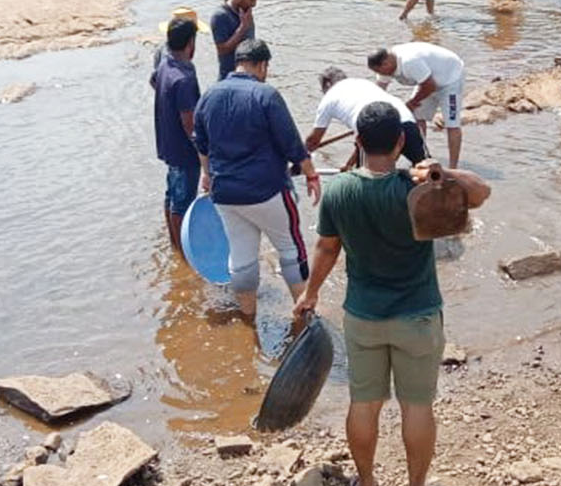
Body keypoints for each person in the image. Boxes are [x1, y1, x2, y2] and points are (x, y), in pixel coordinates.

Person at [295, 102, 491, 486]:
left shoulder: (341, 190)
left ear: (358, 141)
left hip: (363, 317)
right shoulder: (417, 190)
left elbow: (327, 248)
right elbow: (480, 192)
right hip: (417, 316)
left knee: (364, 404)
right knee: (416, 407)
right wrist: (442, 172)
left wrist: (309, 293)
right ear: (401, 141)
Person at [193, 39, 321, 322]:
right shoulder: (266, 95)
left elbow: (201, 145)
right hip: (267, 191)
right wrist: (311, 174)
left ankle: (248, 319)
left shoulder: (209, 95)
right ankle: (305, 318)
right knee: (291, 250)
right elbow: (291, 143)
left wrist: (207, 175)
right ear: (262, 65)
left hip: (225, 194)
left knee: (241, 257)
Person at [305, 67, 428, 170]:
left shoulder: (328, 98)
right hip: (405, 119)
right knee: (427, 169)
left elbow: (313, 141)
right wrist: (349, 165)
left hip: (375, 128)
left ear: (327, 85)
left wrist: (300, 156)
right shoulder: (363, 83)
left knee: (365, 179)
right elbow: (360, 140)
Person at [367, 42, 465, 169]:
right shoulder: (384, 67)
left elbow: (430, 86)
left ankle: (453, 167)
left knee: (452, 124)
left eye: (380, 71)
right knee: (416, 117)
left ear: (386, 63)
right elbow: (379, 91)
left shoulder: (410, 62)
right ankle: (420, 158)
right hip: (427, 79)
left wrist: (411, 103)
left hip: (450, 78)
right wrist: (372, 113)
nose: (381, 75)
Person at [152, 16, 203, 252]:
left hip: (168, 142)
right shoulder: (184, 78)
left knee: (172, 195)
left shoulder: (165, 64)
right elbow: (189, 123)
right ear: (190, 43)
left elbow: (154, 82)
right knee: (182, 203)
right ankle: (184, 253)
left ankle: (175, 247)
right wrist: (203, 153)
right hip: (184, 151)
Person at [210, 0, 259, 82]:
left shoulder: (245, 12)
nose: (254, 4)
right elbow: (222, 50)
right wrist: (243, 28)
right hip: (229, 78)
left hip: (249, 76)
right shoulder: (221, 16)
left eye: (256, 0)